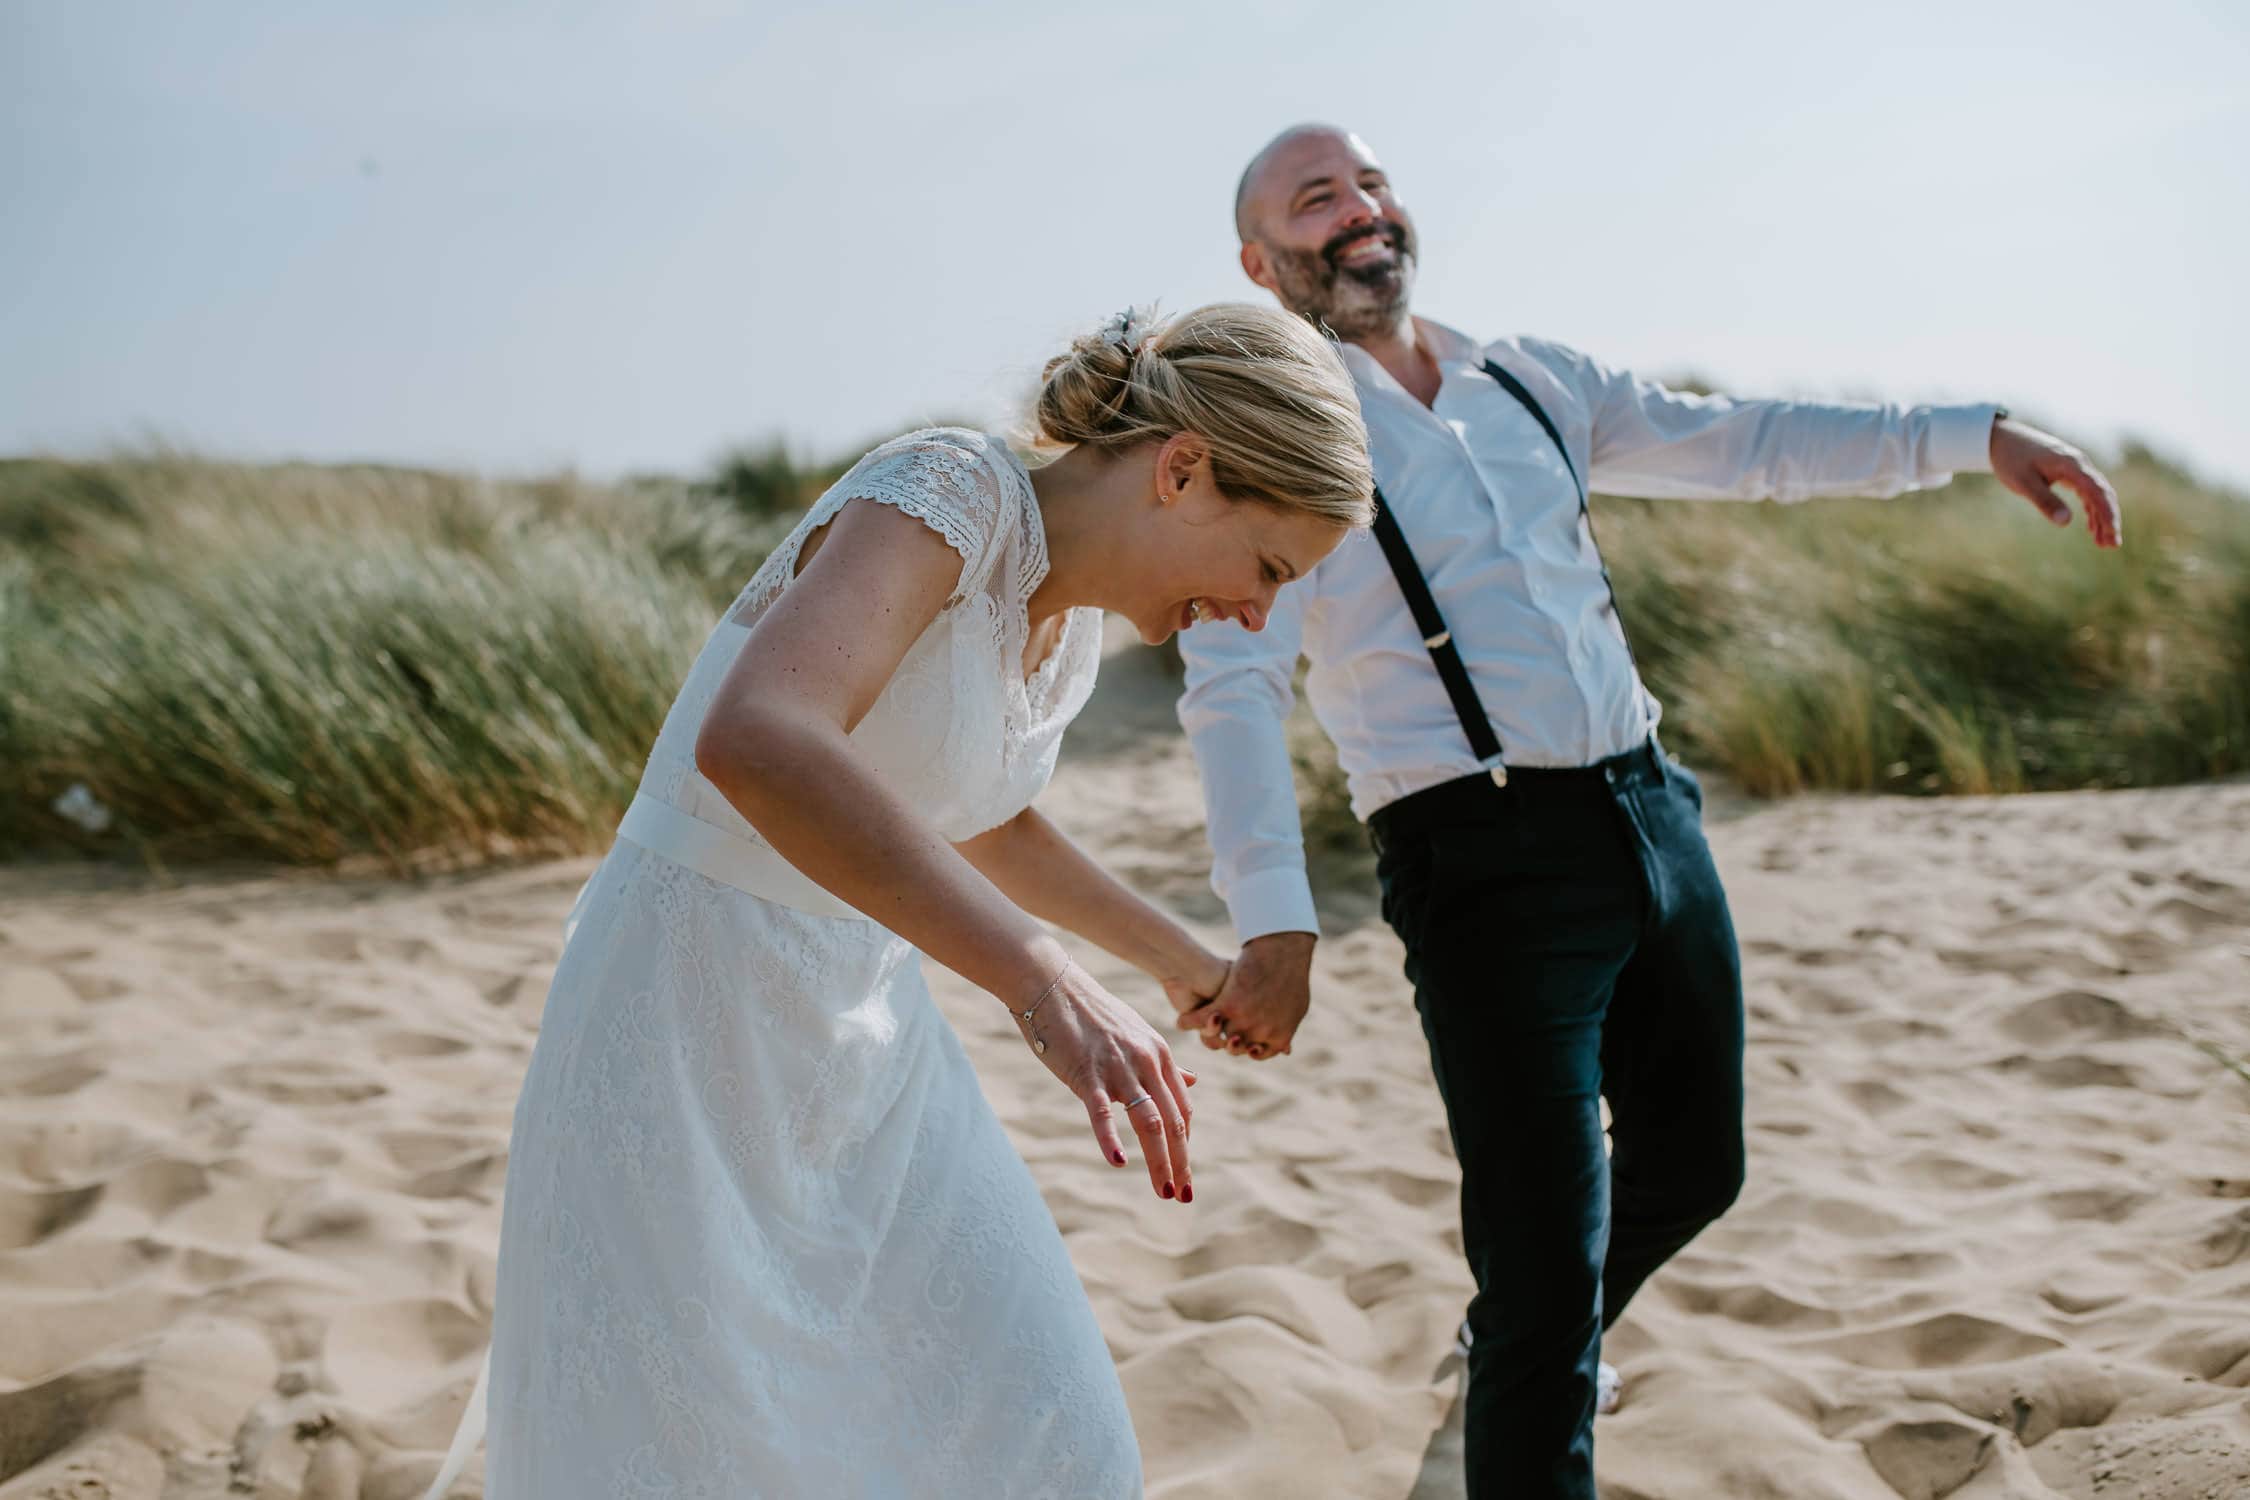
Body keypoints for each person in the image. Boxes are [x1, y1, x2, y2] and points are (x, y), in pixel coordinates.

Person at [1173, 125, 2121, 1499]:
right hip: (1476, 864)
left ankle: (1521, 1335)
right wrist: (1273, 919)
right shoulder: (1277, 439)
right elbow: (1230, 684)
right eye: (1317, 200)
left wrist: (1970, 437)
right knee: (1544, 1266)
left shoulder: (1528, 377)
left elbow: (1743, 444)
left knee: (1698, 1161)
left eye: (1371, 183)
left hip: (1648, 811)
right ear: (1261, 264)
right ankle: (1530, 1357)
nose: (1361, 211)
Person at [430, 302, 1374, 1498]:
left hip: (866, 1054)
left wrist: (1179, 964)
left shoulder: (1066, 630)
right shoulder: (948, 492)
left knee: (1046, 1431)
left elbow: (977, 817)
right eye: (1269, 569)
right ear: (1182, 469)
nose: (1256, 616)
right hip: (683, 1031)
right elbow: (760, 736)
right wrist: (1040, 979)